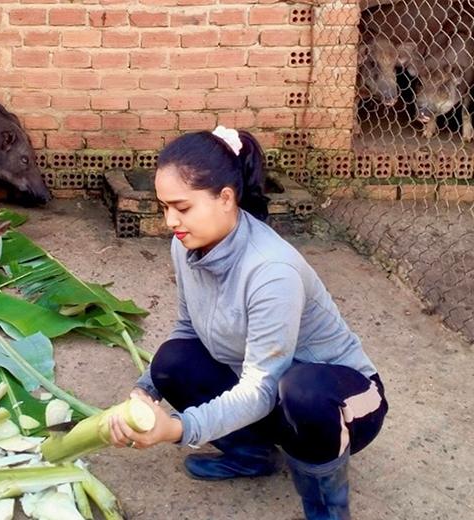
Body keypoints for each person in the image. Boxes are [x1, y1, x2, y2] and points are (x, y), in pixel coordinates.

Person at [108, 127, 388, 520]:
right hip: (271, 392)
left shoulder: (271, 270)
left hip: (344, 400)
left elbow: (262, 388)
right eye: (164, 207)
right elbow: (187, 330)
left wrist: (178, 427)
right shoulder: (184, 244)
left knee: (303, 391)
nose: (171, 220)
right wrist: (144, 392)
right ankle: (253, 457)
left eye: (182, 207)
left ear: (226, 198)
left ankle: (327, 512)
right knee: (172, 360)